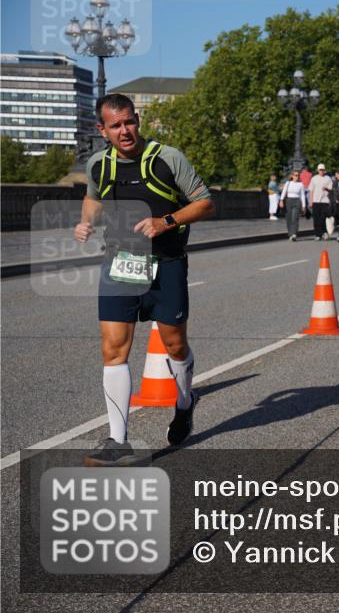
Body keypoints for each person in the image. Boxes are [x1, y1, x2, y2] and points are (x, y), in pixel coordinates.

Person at [73, 93, 215, 466]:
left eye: (129, 122)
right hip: (120, 262)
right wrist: (87, 220)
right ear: (102, 130)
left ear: (137, 120)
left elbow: (205, 203)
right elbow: (92, 196)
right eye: (115, 125)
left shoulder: (167, 158)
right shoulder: (98, 165)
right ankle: (117, 439)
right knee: (113, 349)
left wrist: (165, 222)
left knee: (175, 345)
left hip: (165, 262)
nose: (125, 131)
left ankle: (185, 402)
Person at [279, 170, 308, 241]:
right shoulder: (288, 183)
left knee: (295, 218)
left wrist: (304, 206)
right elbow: (284, 192)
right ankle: (290, 234)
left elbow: (302, 196)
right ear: (292, 176)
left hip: (297, 201)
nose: (297, 177)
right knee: (289, 218)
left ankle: (294, 234)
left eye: (298, 175)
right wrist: (281, 200)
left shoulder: (300, 184)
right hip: (289, 201)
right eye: (295, 175)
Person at [309, 163, 333, 240]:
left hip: (325, 201)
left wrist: (326, 188)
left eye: (323, 170)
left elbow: (331, 189)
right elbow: (311, 190)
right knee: (316, 218)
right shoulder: (314, 178)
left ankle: (324, 232)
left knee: (323, 218)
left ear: (325, 170)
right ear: (317, 170)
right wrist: (311, 201)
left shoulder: (328, 178)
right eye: (320, 170)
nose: (321, 171)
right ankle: (317, 234)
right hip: (316, 201)